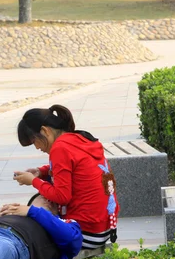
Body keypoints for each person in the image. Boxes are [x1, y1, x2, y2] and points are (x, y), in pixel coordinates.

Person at [13, 104, 119, 249]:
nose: (37, 147)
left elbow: (62, 196)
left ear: (45, 131)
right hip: (105, 228)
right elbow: (76, 167)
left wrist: (34, 181)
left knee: (30, 231)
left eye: (34, 141)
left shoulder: (60, 148)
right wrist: (41, 172)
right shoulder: (78, 138)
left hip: (86, 233)